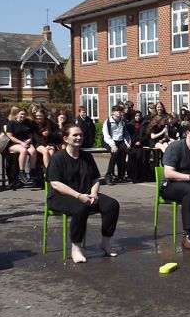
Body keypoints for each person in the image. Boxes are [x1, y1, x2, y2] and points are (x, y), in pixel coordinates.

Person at [47, 125, 120, 264]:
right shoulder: (58, 157)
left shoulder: (87, 156)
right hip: (59, 197)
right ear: (65, 138)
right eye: (75, 135)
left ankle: (105, 243)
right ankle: (76, 248)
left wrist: (94, 194)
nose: (79, 137)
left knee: (111, 205)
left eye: (80, 135)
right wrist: (78, 196)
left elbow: (96, 179)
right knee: (80, 208)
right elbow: (55, 184)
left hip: (85, 195)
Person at [5, 107, 38, 186]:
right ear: (17, 114)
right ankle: (22, 172)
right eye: (21, 114)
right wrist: (21, 143)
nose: (23, 116)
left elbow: (30, 134)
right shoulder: (11, 123)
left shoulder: (28, 122)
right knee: (23, 150)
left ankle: (32, 171)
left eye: (24, 114)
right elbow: (10, 136)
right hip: (14, 143)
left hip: (26, 142)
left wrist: (29, 140)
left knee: (33, 151)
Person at [101, 105, 130, 185]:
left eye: (120, 111)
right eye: (117, 111)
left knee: (126, 152)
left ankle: (121, 176)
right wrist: (112, 145)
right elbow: (106, 136)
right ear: (113, 112)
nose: (119, 113)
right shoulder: (108, 122)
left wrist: (127, 143)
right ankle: (108, 175)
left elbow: (125, 134)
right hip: (108, 141)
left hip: (120, 140)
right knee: (115, 153)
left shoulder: (123, 121)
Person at [126, 110, 152, 183]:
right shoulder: (130, 124)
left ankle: (140, 176)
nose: (138, 117)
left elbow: (147, 135)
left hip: (142, 144)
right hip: (133, 144)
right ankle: (132, 175)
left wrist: (140, 141)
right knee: (132, 157)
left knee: (140, 157)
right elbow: (129, 135)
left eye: (139, 116)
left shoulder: (144, 123)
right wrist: (134, 142)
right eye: (136, 116)